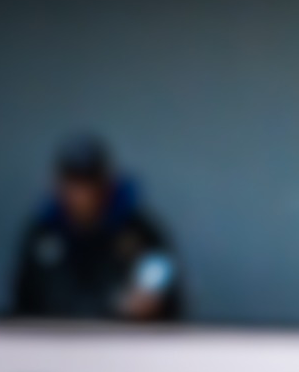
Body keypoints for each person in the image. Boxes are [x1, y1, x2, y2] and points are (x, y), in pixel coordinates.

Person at [10, 134, 184, 322]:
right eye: (73, 181)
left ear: (106, 182)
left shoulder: (138, 232)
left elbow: (169, 297)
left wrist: (150, 303)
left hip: (123, 337)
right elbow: (21, 303)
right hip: (53, 337)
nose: (82, 193)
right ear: (58, 184)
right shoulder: (43, 233)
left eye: (89, 181)